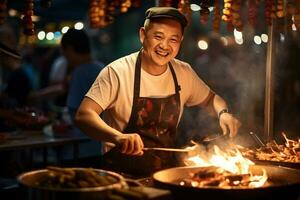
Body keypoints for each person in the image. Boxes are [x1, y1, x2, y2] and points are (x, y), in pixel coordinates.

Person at [75, 7, 241, 176]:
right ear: (142, 35)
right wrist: (118, 137)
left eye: (173, 40)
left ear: (180, 41)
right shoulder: (117, 72)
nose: (164, 46)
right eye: (158, 36)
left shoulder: (183, 72)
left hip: (165, 174)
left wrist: (223, 113)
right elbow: (84, 115)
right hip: (122, 177)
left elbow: (211, 99)